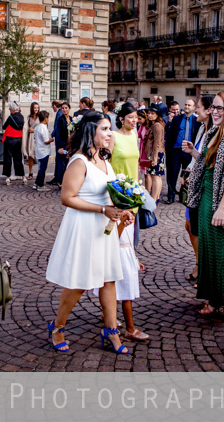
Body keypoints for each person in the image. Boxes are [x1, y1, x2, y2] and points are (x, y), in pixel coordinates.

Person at [46, 112, 135, 354]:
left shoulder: (103, 158)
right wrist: (103, 209)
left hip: (104, 227)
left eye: (109, 128)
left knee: (109, 279)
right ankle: (57, 327)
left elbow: (108, 193)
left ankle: (111, 331)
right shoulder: (79, 161)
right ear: (90, 131)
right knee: (79, 283)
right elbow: (67, 197)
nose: (109, 133)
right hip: (84, 226)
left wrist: (123, 210)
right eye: (104, 129)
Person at [183, 91, 224, 315]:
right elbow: (207, 162)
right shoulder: (216, 129)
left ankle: (218, 300)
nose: (215, 112)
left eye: (220, 108)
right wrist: (194, 152)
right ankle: (212, 295)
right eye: (214, 107)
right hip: (208, 195)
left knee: (221, 252)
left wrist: (222, 207)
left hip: (223, 199)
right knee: (209, 251)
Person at [96, 102, 148, 341]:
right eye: (130, 117)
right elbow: (105, 164)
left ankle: (114, 313)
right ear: (121, 118)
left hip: (131, 196)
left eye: (136, 117)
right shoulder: (113, 137)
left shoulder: (135, 135)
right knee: (114, 246)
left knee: (127, 245)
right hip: (116, 197)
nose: (134, 120)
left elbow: (135, 166)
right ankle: (113, 313)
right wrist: (115, 194)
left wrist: (138, 192)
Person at [182, 95, 214, 284]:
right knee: (190, 226)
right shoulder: (202, 128)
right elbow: (199, 157)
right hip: (194, 180)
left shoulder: (216, 132)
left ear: (209, 110)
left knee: (199, 228)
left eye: (199, 107)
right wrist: (189, 167)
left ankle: (203, 268)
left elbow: (209, 162)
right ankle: (199, 263)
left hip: (204, 185)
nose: (195, 111)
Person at [164, 98, 197, 204]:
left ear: (194, 108)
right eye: (185, 104)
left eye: (189, 105)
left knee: (186, 174)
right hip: (176, 150)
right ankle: (171, 196)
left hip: (188, 152)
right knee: (172, 174)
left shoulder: (196, 121)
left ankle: (184, 196)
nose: (186, 106)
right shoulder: (177, 119)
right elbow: (170, 134)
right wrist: (169, 149)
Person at [143, 106, 166, 202]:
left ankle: (154, 198)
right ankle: (156, 198)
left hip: (156, 154)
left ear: (157, 115)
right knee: (156, 176)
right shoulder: (155, 125)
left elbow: (157, 143)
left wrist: (154, 157)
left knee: (155, 176)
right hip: (156, 153)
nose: (150, 115)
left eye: (152, 113)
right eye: (149, 113)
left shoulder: (157, 126)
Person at [2, 102, 26, 186]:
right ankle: (23, 176)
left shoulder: (11, 117)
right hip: (19, 139)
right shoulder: (22, 116)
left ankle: (8, 177)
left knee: (8, 158)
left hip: (10, 138)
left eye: (10, 108)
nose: (9, 109)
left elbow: (4, 126)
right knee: (18, 157)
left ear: (12, 109)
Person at [51, 102, 72, 186]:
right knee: (61, 164)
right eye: (63, 108)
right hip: (63, 144)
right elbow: (58, 133)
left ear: (69, 109)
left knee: (68, 163)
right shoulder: (60, 119)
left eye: (66, 108)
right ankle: (60, 181)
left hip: (70, 144)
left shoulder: (71, 119)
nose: (64, 109)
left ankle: (67, 181)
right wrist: (60, 146)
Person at [33, 110, 54, 191]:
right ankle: (40, 184)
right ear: (45, 118)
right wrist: (51, 140)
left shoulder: (37, 127)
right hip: (44, 151)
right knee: (43, 168)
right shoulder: (43, 128)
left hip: (38, 150)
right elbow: (46, 141)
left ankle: (36, 183)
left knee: (40, 167)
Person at [23, 102, 41, 179]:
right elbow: (26, 127)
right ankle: (30, 172)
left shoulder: (40, 117)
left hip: (37, 137)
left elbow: (42, 127)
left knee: (38, 155)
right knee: (30, 154)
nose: (36, 109)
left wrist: (34, 130)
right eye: (35, 108)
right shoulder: (29, 117)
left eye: (37, 108)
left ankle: (39, 172)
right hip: (30, 138)